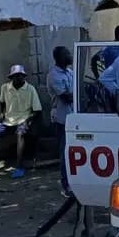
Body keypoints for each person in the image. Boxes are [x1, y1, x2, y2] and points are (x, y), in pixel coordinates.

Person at [46, 46, 74, 196]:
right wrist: (79, 93)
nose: (70, 56)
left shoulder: (70, 72)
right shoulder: (54, 75)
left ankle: (74, 181)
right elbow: (67, 97)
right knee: (64, 152)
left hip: (73, 118)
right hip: (62, 119)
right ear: (59, 58)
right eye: (67, 54)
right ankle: (66, 184)